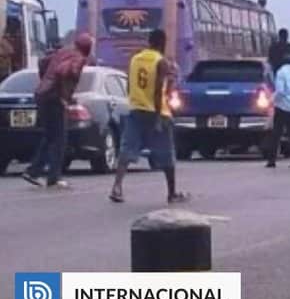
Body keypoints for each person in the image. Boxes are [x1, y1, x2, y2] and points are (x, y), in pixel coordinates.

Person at [109, 29, 186, 203]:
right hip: (156, 112)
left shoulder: (135, 59)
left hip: (136, 110)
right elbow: (158, 91)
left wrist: (135, 101)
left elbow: (129, 85)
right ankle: (171, 193)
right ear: (162, 43)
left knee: (126, 150)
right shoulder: (161, 62)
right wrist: (159, 117)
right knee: (167, 153)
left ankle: (117, 187)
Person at [22, 33, 94, 188]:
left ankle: (33, 171)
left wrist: (46, 81)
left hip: (42, 94)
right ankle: (54, 178)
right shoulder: (78, 58)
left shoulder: (62, 52)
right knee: (60, 139)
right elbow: (63, 72)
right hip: (54, 98)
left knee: (50, 136)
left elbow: (43, 63)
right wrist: (62, 95)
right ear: (87, 47)